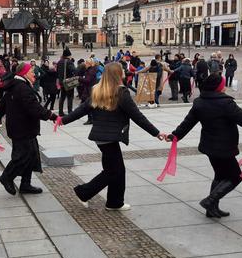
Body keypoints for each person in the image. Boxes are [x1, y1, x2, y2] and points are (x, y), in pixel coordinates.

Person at [168, 74, 242, 218]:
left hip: (209, 146)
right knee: (236, 177)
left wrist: (175, 135)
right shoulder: (225, 103)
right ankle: (210, 201)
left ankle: (212, 209)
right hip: (224, 148)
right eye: (223, 84)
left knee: (220, 175)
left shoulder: (199, 102)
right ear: (219, 87)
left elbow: (187, 123)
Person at [60, 63, 164, 210]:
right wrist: (157, 133)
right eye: (122, 70)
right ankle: (84, 192)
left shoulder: (98, 90)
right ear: (117, 74)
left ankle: (114, 202)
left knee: (117, 170)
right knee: (113, 171)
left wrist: (63, 120)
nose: (124, 72)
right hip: (109, 138)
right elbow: (138, 116)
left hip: (101, 138)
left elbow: (82, 109)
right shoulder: (121, 93)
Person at [0, 62, 57, 195]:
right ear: (25, 73)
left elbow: (3, 104)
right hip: (22, 128)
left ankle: (25, 184)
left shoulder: (16, 85)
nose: (34, 74)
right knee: (23, 156)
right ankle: (6, 177)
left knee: (31, 155)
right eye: (32, 71)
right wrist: (51, 115)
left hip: (22, 128)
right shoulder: (22, 88)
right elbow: (34, 108)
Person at [57, 48, 76, 116]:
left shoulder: (59, 62)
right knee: (70, 97)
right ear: (68, 55)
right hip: (68, 82)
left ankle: (60, 112)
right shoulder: (69, 62)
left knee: (62, 97)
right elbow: (74, 70)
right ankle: (70, 112)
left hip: (62, 82)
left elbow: (57, 72)